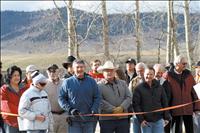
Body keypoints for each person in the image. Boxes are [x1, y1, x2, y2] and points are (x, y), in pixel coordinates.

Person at [59, 60, 100, 133]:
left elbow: (97, 97)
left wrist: (94, 108)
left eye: (81, 67)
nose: (79, 69)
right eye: (77, 67)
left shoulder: (92, 81)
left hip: (89, 119)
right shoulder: (67, 82)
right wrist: (70, 109)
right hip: (74, 120)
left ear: (84, 68)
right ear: (73, 69)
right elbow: (61, 98)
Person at [163, 55, 200, 133]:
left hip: (188, 110)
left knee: (190, 130)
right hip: (174, 110)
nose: (185, 65)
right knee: (176, 131)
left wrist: (196, 108)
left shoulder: (189, 75)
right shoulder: (168, 76)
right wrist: (166, 111)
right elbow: (165, 95)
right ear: (177, 64)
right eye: (183, 63)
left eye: (186, 63)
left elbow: (195, 92)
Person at [133, 67, 171, 133]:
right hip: (146, 122)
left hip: (158, 120)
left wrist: (166, 117)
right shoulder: (138, 89)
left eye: (151, 74)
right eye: (147, 74)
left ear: (154, 75)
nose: (149, 76)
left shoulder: (159, 87)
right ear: (144, 75)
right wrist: (141, 120)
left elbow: (164, 102)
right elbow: (136, 105)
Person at [97, 61, 132, 133]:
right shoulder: (98, 86)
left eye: (111, 70)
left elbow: (129, 97)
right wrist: (113, 110)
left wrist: (122, 107)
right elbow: (99, 100)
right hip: (106, 119)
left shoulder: (123, 83)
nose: (109, 72)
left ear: (114, 71)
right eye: (107, 71)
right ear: (103, 73)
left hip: (122, 118)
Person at [1, 65, 26, 133]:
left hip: (24, 122)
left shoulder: (24, 88)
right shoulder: (4, 89)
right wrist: (22, 111)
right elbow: (5, 105)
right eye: (14, 75)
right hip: (11, 123)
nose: (17, 77)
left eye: (18, 75)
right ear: (9, 76)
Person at [44, 64, 67, 133]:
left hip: (64, 115)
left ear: (58, 71)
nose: (52, 73)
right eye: (50, 71)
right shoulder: (44, 84)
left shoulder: (65, 83)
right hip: (51, 116)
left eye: (54, 71)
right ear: (47, 72)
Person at [153, 64, 172, 133]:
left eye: (161, 73)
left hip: (164, 113)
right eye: (157, 72)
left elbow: (168, 98)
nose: (159, 74)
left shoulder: (166, 83)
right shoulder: (148, 83)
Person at [129, 62, 146, 133]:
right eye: (138, 71)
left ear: (145, 70)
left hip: (147, 112)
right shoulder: (133, 82)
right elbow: (130, 96)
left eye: (141, 70)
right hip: (136, 112)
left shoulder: (150, 79)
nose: (139, 72)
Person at [192, 61, 200, 133]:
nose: (197, 70)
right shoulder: (193, 80)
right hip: (195, 110)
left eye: (199, 68)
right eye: (196, 68)